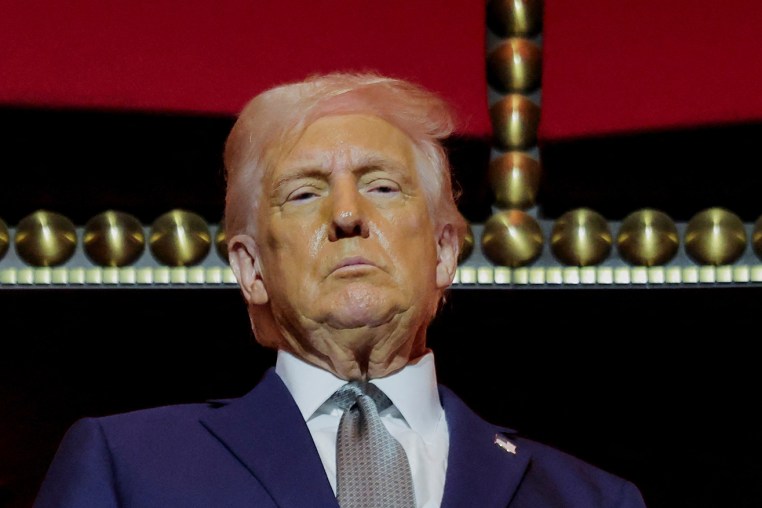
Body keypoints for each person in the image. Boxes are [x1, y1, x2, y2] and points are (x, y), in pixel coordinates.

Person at [34, 72, 647, 507]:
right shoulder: (128, 465)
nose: (347, 214)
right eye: (303, 193)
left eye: (382, 186)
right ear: (250, 268)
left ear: (443, 251)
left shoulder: (588, 498)